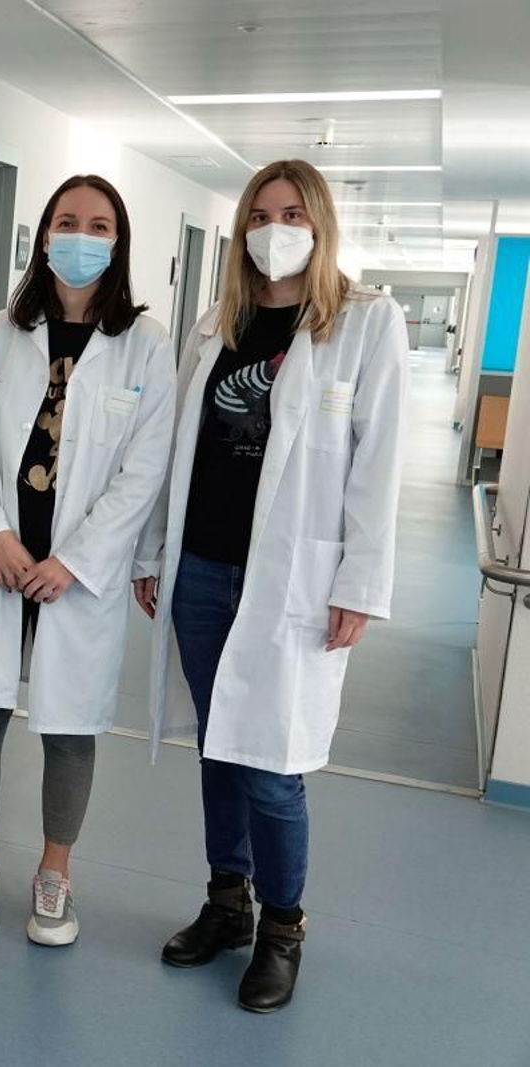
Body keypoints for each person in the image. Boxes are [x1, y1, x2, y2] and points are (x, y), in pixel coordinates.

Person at [135, 159, 405, 1012]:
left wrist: (360, 580)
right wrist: (154, 552)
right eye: (259, 212)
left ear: (320, 223)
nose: (273, 226)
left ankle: (284, 928)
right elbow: (176, 450)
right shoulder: (219, 324)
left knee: (274, 765)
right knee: (221, 746)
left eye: (291, 212)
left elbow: (378, 465)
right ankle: (228, 904)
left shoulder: (364, 323)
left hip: (290, 579)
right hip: (204, 568)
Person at [0, 174, 176, 945]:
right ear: (42, 236)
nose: (81, 236)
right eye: (68, 221)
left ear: (118, 241)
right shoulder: (0, 332)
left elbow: (146, 468)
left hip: (75, 572)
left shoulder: (145, 342)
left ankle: (56, 872)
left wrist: (77, 559)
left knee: (70, 725)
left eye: (99, 225)